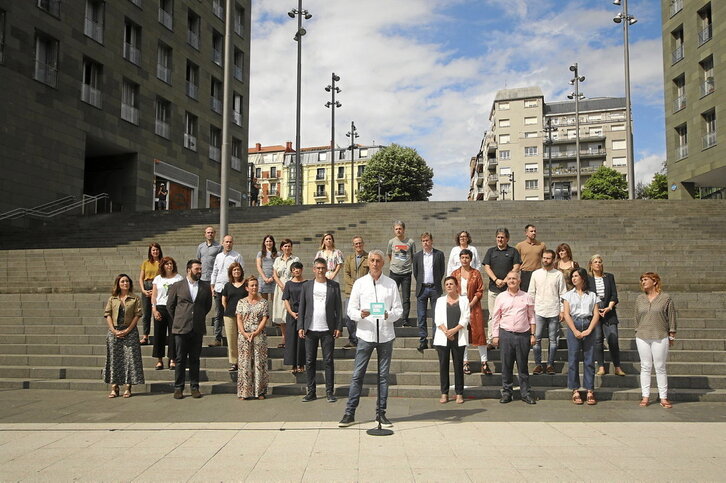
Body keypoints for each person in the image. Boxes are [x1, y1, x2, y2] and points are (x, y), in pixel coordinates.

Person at [339, 249, 403, 428]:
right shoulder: (360, 283)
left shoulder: (390, 284)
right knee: (358, 375)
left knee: (383, 377)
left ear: (383, 263)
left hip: (385, 335)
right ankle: (349, 413)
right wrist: (361, 313)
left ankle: (381, 414)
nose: (375, 264)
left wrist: (387, 315)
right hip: (365, 334)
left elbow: (398, 310)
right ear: (368, 262)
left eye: (378, 261)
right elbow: (350, 310)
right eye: (372, 260)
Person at [298, 258, 343, 403]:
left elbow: (338, 308)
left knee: (328, 361)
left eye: (323, 268)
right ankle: (311, 392)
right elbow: (302, 308)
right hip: (310, 329)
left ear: (326, 269)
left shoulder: (334, 286)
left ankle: (330, 392)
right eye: (318, 268)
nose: (320, 271)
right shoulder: (307, 286)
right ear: (313, 269)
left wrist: (338, 326)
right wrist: (300, 326)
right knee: (310, 361)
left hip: (327, 329)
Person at [167, 259, 213, 399]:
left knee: (195, 359)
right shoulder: (177, 286)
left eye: (200, 269)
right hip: (181, 328)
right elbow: (170, 306)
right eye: (196, 269)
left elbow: (208, 306)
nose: (199, 271)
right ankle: (178, 387)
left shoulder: (205, 286)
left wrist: (197, 317)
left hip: (197, 328)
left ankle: (194, 387)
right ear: (188, 270)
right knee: (180, 359)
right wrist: (181, 317)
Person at [491, 271, 536, 405]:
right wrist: (495, 335)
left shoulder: (527, 296)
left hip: (523, 335)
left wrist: (533, 334)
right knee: (506, 365)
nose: (511, 281)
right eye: (509, 278)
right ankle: (506, 392)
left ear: (519, 281)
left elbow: (531, 317)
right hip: (506, 334)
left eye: (514, 279)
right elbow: (496, 317)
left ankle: (525, 393)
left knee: (523, 366)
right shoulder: (501, 297)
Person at [635, 272, 677, 409]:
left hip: (660, 335)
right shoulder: (640, 299)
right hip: (642, 335)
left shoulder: (665, 298)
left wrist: (671, 334)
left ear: (654, 281)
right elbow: (636, 317)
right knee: (645, 366)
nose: (643, 282)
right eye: (641, 280)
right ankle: (645, 396)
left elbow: (671, 316)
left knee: (660, 366)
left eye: (645, 279)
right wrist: (637, 330)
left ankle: (663, 397)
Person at [562, 268, 601, 405]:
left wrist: (590, 329)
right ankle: (575, 389)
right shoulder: (568, 295)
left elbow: (596, 313)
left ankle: (590, 389)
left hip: (588, 323)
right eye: (572, 276)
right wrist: (574, 330)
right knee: (573, 358)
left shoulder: (592, 295)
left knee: (589, 359)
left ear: (583, 278)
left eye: (576, 276)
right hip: (575, 324)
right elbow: (566, 314)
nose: (573, 278)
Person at [103, 274, 144, 398]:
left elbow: (137, 315)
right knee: (114, 359)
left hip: (130, 331)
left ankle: (128, 387)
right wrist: (113, 330)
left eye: (127, 281)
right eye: (122, 282)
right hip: (114, 331)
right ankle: (114, 387)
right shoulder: (112, 299)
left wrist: (127, 330)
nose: (125, 283)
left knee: (130, 359)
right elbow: (107, 314)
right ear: (118, 284)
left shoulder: (135, 298)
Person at [528, 249, 566, 376]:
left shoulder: (558, 274)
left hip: (554, 310)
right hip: (538, 310)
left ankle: (550, 364)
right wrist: (530, 310)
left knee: (553, 340)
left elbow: (563, 294)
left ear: (553, 259)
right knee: (537, 338)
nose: (545, 260)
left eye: (548, 258)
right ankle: (538, 364)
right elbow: (531, 293)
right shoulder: (536, 274)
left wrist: (562, 310)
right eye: (544, 258)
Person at [433, 276, 470, 404]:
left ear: (456, 286)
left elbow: (466, 318)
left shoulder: (464, 300)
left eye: (451, 284)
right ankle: (444, 393)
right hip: (443, 337)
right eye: (447, 284)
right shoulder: (440, 301)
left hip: (458, 337)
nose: (449, 286)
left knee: (458, 366)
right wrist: (446, 332)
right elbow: (437, 319)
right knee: (443, 366)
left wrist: (454, 330)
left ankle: (459, 393)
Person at [483, 228, 522, 347]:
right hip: (494, 289)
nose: (500, 239)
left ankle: (505, 338)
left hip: (508, 290)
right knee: (492, 315)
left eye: (502, 237)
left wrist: (505, 280)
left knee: (508, 314)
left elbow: (516, 267)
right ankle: (491, 339)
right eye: (498, 237)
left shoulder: (513, 251)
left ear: (507, 239)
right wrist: (496, 279)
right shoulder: (491, 251)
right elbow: (487, 267)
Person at [588, 254, 625, 377]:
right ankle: (601, 366)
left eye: (600, 261)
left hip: (609, 310)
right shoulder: (588, 279)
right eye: (595, 262)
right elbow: (587, 295)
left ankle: (617, 366)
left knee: (613, 339)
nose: (598, 264)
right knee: (598, 340)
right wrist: (596, 309)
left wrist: (609, 307)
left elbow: (614, 294)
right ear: (591, 265)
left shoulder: (609, 277)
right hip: (595, 311)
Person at [452, 249, 488, 375]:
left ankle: (484, 362)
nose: (465, 260)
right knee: (463, 335)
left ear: (470, 259)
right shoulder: (455, 273)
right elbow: (451, 290)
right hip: (460, 307)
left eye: (467, 257)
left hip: (474, 306)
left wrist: (471, 303)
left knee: (479, 334)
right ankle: (465, 362)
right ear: (460, 259)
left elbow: (480, 290)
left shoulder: (476, 273)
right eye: (462, 257)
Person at [236, 277, 270, 399]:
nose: (254, 287)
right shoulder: (241, 302)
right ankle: (244, 392)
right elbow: (239, 318)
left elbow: (265, 318)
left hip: (259, 335)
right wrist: (244, 333)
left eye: (256, 285)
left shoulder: (263, 302)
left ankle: (260, 391)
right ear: (246, 288)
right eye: (252, 285)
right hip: (244, 336)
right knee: (244, 363)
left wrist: (256, 332)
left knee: (259, 363)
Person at [412, 232, 446, 352]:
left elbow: (442, 271)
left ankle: (436, 340)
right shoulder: (417, 256)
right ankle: (423, 341)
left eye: (427, 240)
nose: (425, 243)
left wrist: (435, 282)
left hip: (434, 288)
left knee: (436, 316)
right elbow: (415, 272)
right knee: (421, 316)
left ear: (431, 241)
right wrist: (421, 282)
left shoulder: (439, 254)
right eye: (423, 241)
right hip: (422, 288)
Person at [150, 257, 183, 371]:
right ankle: (159, 360)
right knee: (159, 334)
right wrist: (154, 310)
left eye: (171, 264)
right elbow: (154, 296)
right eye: (167, 264)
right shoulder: (158, 279)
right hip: (160, 307)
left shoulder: (179, 278)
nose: (169, 266)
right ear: (163, 266)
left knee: (173, 334)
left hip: (174, 308)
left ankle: (172, 359)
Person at [210, 235, 242, 347]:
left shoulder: (237, 256)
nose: (228, 244)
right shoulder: (218, 256)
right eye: (226, 242)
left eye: (230, 242)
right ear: (222, 243)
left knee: (234, 314)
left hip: (232, 290)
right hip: (219, 288)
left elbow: (241, 272)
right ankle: (217, 338)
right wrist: (212, 286)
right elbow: (215, 271)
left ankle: (236, 338)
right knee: (219, 314)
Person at [341, 236, 369, 349]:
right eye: (356, 244)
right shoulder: (349, 258)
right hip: (351, 291)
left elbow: (371, 272)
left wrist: (362, 285)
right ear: (353, 246)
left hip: (365, 292)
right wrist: (355, 284)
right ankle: (353, 339)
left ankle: (364, 340)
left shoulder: (368, 257)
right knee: (348, 317)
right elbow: (346, 274)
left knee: (365, 316)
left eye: (360, 243)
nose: (358, 245)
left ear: (363, 244)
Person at [387, 221, 416, 326]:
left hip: (406, 274)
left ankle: (405, 319)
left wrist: (406, 265)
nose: (398, 230)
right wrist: (396, 264)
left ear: (404, 229)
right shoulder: (391, 242)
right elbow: (389, 255)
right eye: (396, 229)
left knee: (406, 297)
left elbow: (413, 256)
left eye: (400, 228)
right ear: (394, 230)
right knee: (391, 296)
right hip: (394, 272)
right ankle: (391, 318)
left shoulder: (411, 242)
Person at [272, 239, 299, 349]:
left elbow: (297, 272)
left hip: (291, 286)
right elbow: (274, 274)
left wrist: (288, 286)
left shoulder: (295, 259)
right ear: (281, 248)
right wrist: (281, 285)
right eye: (285, 246)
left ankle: (291, 336)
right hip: (280, 288)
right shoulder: (278, 260)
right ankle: (284, 336)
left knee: (289, 311)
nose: (287, 248)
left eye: (289, 246)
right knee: (281, 312)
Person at [221, 262, 247, 372]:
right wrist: (228, 309)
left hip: (244, 315)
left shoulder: (246, 284)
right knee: (232, 339)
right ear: (231, 272)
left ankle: (244, 361)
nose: (236, 272)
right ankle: (234, 362)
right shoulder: (227, 285)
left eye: (238, 270)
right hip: (230, 315)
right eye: (234, 270)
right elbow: (224, 300)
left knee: (244, 339)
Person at [282, 261, 306, 374]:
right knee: (291, 339)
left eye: (298, 268)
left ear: (302, 270)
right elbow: (286, 299)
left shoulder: (307, 283)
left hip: (304, 314)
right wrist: (291, 312)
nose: (296, 270)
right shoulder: (288, 284)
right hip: (292, 314)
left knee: (302, 339)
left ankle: (301, 363)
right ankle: (293, 363)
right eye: (294, 269)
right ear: (292, 271)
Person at [138, 242, 162, 345]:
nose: (155, 252)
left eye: (156, 250)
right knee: (146, 313)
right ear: (150, 252)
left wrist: (155, 290)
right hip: (146, 286)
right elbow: (141, 278)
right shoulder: (146, 263)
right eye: (153, 250)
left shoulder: (162, 262)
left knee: (157, 312)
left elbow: (163, 277)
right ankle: (145, 336)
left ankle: (158, 336)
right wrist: (143, 290)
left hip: (157, 286)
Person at [515, 224, 546, 292]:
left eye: (535, 231)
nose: (534, 233)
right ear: (526, 233)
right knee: (524, 293)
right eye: (531, 231)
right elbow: (516, 260)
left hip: (538, 272)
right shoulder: (520, 245)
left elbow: (545, 259)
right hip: (525, 274)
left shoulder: (541, 245)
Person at [256, 235, 278, 300]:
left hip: (274, 279)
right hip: (263, 279)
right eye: (267, 241)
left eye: (270, 241)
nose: (268, 243)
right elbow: (258, 266)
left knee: (274, 300)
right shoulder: (260, 253)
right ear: (264, 243)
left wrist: (273, 277)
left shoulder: (278, 254)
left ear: (273, 242)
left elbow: (278, 267)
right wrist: (264, 278)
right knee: (263, 301)